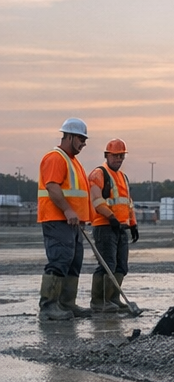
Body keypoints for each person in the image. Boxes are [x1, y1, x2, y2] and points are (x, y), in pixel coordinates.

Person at [36, 117, 92, 320]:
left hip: (72, 223)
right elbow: (52, 187)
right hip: (57, 219)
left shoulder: (73, 162)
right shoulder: (55, 158)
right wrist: (68, 210)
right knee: (60, 260)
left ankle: (67, 304)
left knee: (73, 262)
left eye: (84, 140)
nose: (83, 144)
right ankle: (49, 306)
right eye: (81, 139)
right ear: (69, 136)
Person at [88, 139, 138, 312]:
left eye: (121, 156)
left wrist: (133, 224)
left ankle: (113, 298)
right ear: (106, 155)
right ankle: (99, 301)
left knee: (121, 266)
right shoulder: (99, 174)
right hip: (104, 226)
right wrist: (110, 217)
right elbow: (97, 200)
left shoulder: (123, 177)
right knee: (107, 264)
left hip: (120, 227)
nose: (119, 159)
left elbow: (127, 203)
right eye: (115, 156)